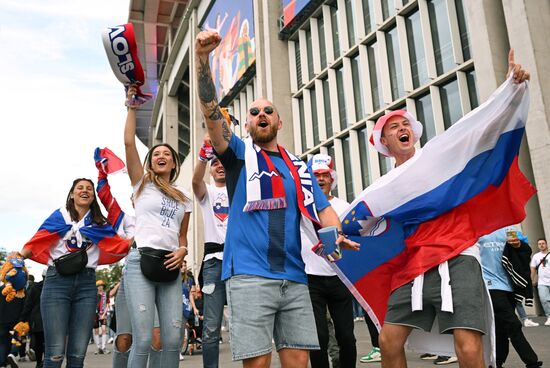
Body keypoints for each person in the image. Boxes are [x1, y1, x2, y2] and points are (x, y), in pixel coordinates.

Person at [194, 30, 359, 368]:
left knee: (299, 362)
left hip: (296, 277)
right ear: (249, 124)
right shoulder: (238, 157)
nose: (262, 115)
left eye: (268, 110)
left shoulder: (299, 167)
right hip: (249, 276)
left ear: (279, 121)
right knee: (257, 364)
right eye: (254, 112)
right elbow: (212, 112)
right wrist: (202, 61)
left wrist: (335, 233)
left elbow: (324, 211)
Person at [374, 52, 530, 368]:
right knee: (388, 341)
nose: (403, 127)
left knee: (468, 347)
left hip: (458, 256)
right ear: (383, 142)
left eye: (406, 123)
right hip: (413, 265)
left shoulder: (439, 159)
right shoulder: (383, 188)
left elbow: (483, 132)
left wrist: (511, 93)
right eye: (394, 126)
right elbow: (365, 226)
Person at [16, 178, 128, 368]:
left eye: (89, 189)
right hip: (56, 283)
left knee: (77, 353)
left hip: (87, 284)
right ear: (72, 194)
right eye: (80, 188)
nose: (85, 191)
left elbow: (117, 243)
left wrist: (139, 238)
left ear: (93, 196)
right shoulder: (59, 216)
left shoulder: (100, 223)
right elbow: (39, 239)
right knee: (55, 352)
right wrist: (18, 258)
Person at [123, 86, 192, 368]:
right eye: (155, 154)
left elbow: (182, 236)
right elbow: (129, 144)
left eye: (167, 153)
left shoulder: (184, 198)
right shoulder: (142, 184)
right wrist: (132, 108)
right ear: (151, 162)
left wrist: (184, 251)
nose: (160, 156)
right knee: (143, 339)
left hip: (170, 266)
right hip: (141, 261)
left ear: (174, 163)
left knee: (173, 339)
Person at [301, 154, 357, 368]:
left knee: (346, 337)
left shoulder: (344, 207)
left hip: (340, 277)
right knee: (319, 338)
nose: (321, 180)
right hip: (310, 279)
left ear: (332, 179)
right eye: (316, 176)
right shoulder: (301, 208)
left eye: (325, 175)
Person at [479, 226, 541, 368]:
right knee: (513, 324)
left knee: (501, 328)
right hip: (490, 285)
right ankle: (532, 362)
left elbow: (526, 251)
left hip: (509, 286)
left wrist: (519, 245)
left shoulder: (509, 227)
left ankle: (496, 363)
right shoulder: (478, 229)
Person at [192, 134, 229, 368]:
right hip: (214, 263)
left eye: (222, 162)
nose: (219, 166)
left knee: (247, 322)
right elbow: (195, 182)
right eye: (215, 164)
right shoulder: (207, 192)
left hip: (239, 261)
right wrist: (204, 157)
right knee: (211, 326)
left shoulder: (240, 189)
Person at [530, 238, 550, 326]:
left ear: (546, 244)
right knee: (544, 300)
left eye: (543, 243)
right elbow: (533, 268)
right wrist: (532, 279)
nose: (541, 245)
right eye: (539, 244)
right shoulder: (536, 256)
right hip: (542, 282)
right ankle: (549, 316)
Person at [93, 280, 110, 354]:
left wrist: (104, 314)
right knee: (96, 331)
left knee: (104, 329)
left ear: (103, 286)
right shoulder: (94, 295)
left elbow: (107, 305)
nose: (100, 287)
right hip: (95, 314)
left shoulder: (105, 295)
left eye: (101, 285)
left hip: (103, 314)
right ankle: (98, 347)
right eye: (98, 286)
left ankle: (104, 347)